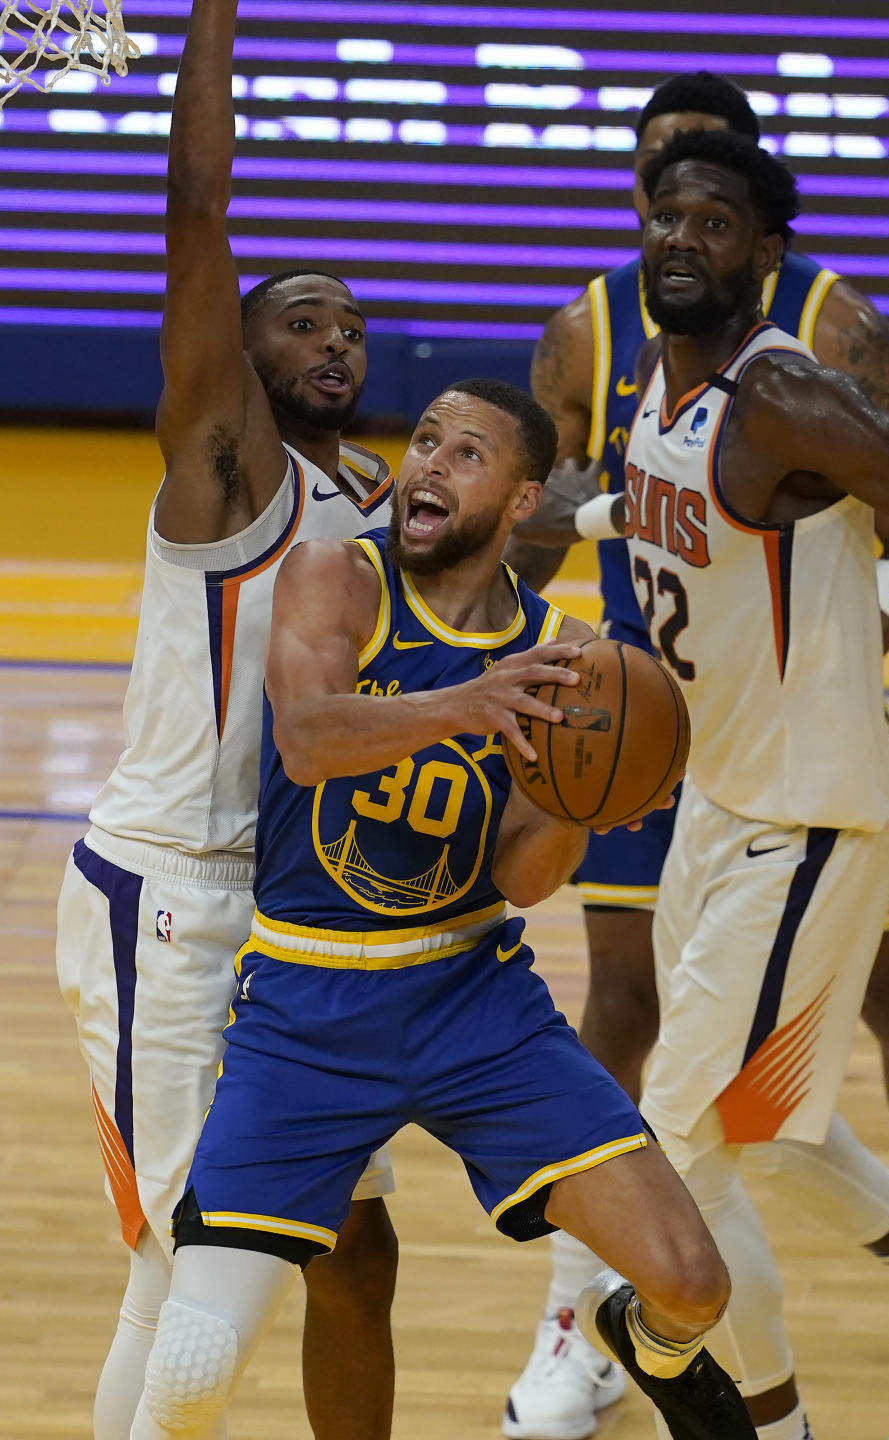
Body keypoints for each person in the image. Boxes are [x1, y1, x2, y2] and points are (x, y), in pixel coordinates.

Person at [126, 376, 760, 1440]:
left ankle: (640, 1347)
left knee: (695, 1283)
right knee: (191, 1371)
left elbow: (522, 878)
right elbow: (311, 738)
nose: (427, 463)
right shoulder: (337, 577)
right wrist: (476, 702)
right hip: (305, 1010)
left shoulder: (565, 651)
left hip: (475, 1003)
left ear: (522, 501)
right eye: (425, 440)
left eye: (466, 455)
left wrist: (578, 803)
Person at [504, 70, 889, 1440]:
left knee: (666, 1151)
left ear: (764, 251)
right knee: (775, 1127)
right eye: (667, 218)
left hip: (809, 817)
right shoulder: (658, 387)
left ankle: (769, 1424)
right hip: (717, 802)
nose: (681, 240)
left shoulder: (781, 394)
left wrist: (869, 608)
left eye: (714, 223)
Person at [54, 1, 398, 1436]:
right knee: (200, 1266)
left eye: (351, 324)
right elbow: (198, 209)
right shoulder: (225, 473)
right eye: (298, 318)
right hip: (174, 904)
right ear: (235, 354)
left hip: (302, 929)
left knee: (356, 1258)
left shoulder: (366, 500)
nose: (335, 339)